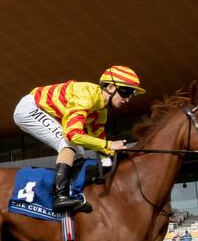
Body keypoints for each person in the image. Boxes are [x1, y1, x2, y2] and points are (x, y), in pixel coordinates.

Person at [12, 66, 144, 213]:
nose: (128, 98)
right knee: (67, 144)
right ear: (111, 87)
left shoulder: (101, 112)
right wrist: (110, 145)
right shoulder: (86, 95)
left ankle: (71, 192)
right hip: (30, 109)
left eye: (132, 95)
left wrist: (112, 159)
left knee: (79, 154)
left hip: (48, 114)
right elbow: (72, 134)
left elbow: (99, 145)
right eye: (125, 92)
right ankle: (59, 196)